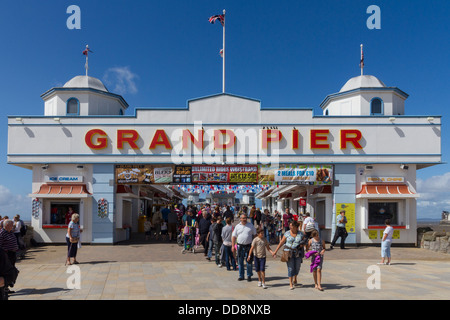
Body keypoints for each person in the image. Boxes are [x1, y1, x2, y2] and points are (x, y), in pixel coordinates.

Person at [273, 220, 306, 290]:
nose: (290, 227)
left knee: (297, 267)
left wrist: (305, 247)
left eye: (291, 226)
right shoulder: (287, 233)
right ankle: (291, 283)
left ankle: (295, 278)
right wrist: (275, 251)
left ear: (295, 227)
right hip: (288, 252)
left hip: (297, 253)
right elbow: (281, 242)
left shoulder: (301, 234)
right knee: (290, 268)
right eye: (290, 226)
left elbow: (305, 242)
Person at [232, 214, 257, 282]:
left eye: (245, 218)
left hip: (248, 246)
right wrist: (232, 246)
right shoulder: (237, 226)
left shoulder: (250, 225)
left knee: (249, 261)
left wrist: (255, 244)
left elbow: (255, 234)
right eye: (243, 218)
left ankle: (249, 275)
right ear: (240, 219)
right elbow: (234, 236)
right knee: (240, 262)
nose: (244, 219)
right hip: (240, 246)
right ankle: (241, 276)